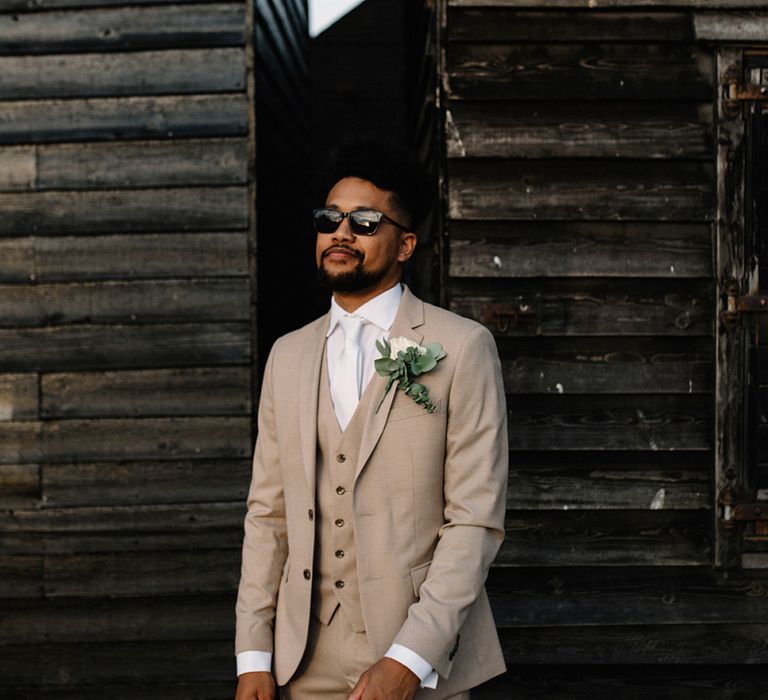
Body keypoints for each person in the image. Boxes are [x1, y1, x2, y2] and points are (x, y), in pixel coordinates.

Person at [234, 137, 508, 700]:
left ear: (405, 244)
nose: (340, 232)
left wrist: (407, 660)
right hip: (299, 661)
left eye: (363, 221)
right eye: (329, 218)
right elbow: (268, 516)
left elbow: (474, 521)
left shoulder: (461, 347)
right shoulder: (287, 354)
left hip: (422, 660)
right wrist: (253, 655)